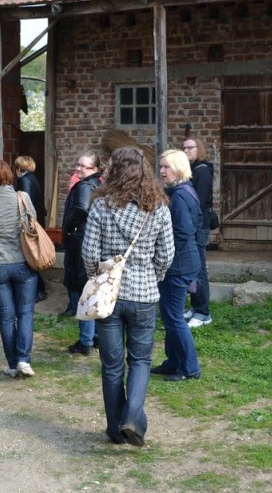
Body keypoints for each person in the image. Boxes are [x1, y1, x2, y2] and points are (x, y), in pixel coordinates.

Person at [82, 147, 174, 447]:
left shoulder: (101, 206)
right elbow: (166, 255)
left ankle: (115, 429)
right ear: (144, 172)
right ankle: (132, 417)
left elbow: (89, 253)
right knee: (141, 360)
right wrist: (152, 277)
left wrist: (98, 279)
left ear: (114, 172)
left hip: (108, 295)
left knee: (112, 366)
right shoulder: (158, 207)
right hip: (144, 294)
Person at [0, 159, 39, 378]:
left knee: (6, 317)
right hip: (23, 263)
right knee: (25, 313)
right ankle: (23, 360)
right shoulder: (22, 198)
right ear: (9, 176)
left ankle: (12, 365)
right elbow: (33, 224)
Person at [154, 149, 202, 381]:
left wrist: (162, 253)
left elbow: (183, 232)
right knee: (169, 316)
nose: (162, 171)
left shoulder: (181, 195)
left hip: (178, 265)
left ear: (179, 168)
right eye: (161, 166)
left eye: (167, 167)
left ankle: (189, 368)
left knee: (174, 317)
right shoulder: (184, 190)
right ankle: (173, 362)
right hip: (181, 263)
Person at [62, 152, 105, 352]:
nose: (78, 168)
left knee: (83, 289)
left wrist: (70, 226)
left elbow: (81, 208)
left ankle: (86, 340)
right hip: (89, 240)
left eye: (83, 166)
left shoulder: (85, 186)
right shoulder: (96, 183)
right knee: (91, 289)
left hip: (80, 241)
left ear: (94, 169)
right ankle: (94, 336)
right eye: (77, 164)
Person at [183, 137, 214, 328]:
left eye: (190, 147)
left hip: (199, 224)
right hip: (195, 223)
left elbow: (199, 201)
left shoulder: (201, 171)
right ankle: (196, 307)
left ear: (199, 149)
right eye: (184, 148)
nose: (186, 150)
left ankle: (203, 313)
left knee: (199, 267)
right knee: (194, 267)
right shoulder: (193, 169)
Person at [14, 156, 48, 302]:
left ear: (18, 168)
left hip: (28, 223)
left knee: (29, 257)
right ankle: (39, 289)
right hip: (35, 219)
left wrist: (24, 224)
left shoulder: (24, 180)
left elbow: (25, 203)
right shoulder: (33, 178)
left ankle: (39, 290)